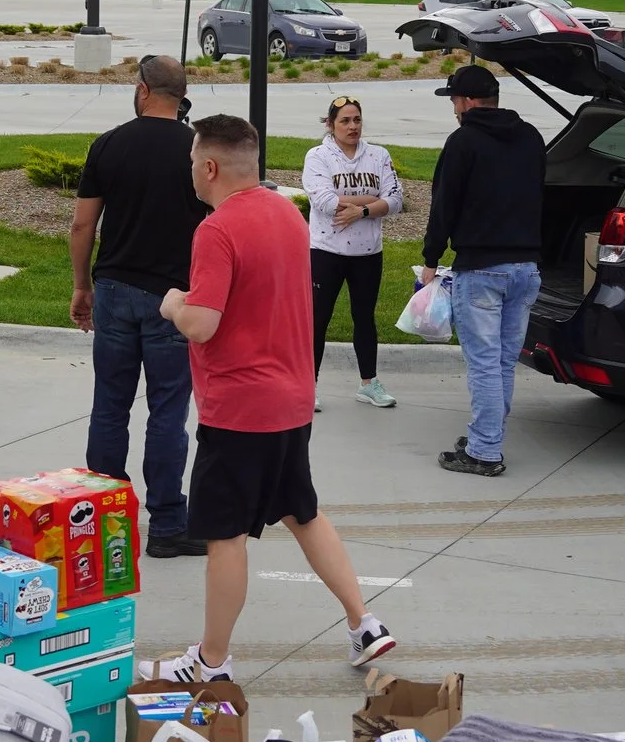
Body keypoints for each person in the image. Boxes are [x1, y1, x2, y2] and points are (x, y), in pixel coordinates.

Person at [152, 115, 398, 680]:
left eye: (193, 161)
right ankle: (364, 623)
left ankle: (211, 663)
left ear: (209, 167)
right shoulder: (287, 214)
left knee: (225, 535)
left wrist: (172, 304)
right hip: (291, 400)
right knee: (302, 512)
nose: (191, 170)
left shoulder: (215, 231)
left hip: (240, 408)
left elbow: (203, 323)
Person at [71, 54, 210, 557]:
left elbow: (83, 225)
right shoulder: (197, 150)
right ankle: (169, 525)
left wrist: (81, 285)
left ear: (144, 90)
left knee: (109, 405)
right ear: (180, 95)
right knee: (168, 414)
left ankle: (102, 521)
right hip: (173, 299)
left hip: (113, 291)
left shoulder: (109, 144)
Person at [419, 62, 547, 478]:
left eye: (455, 99)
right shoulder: (531, 138)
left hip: (482, 270)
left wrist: (431, 259)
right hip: (527, 269)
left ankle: (485, 452)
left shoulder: (463, 142)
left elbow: (444, 206)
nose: (454, 108)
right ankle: (486, 435)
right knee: (503, 362)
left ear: (470, 101)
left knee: (484, 364)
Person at [303, 95, 405, 411]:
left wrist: (359, 211)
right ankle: (308, 387)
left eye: (357, 120)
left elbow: (396, 200)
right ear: (331, 124)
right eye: (345, 120)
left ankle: (368, 384)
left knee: (364, 318)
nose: (352, 126)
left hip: (367, 253)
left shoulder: (378, 155)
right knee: (317, 320)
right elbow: (322, 200)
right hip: (326, 252)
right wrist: (370, 200)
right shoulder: (318, 156)